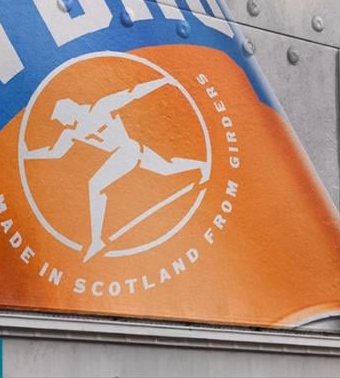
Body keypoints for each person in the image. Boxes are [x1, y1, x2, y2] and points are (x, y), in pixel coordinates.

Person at [25, 78, 207, 261]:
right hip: (129, 152)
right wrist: (27, 155)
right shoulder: (72, 132)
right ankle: (201, 166)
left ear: (69, 111)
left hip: (128, 149)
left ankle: (96, 241)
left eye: (62, 119)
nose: (62, 123)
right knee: (166, 168)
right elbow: (55, 152)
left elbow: (132, 93)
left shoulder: (101, 107)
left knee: (97, 185)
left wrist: (162, 81)